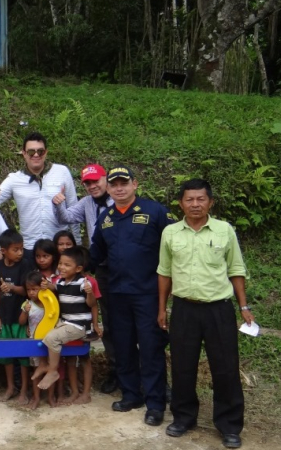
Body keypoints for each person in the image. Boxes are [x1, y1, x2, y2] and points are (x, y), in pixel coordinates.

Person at [157, 178, 253, 449]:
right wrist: (162, 308)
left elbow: (236, 269)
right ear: (180, 203)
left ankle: (230, 426)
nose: (195, 204)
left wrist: (244, 307)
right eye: (190, 199)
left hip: (219, 310)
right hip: (184, 310)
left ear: (210, 202)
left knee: (225, 369)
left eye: (201, 199)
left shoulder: (224, 231)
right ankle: (184, 418)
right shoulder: (171, 233)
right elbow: (164, 273)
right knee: (182, 367)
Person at [90, 165, 174, 426]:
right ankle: (131, 394)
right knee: (124, 347)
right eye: (114, 184)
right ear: (109, 188)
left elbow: (174, 247)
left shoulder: (155, 212)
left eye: (124, 183)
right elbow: (96, 253)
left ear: (135, 184)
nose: (119, 188)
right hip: (117, 294)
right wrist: (74, 271)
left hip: (148, 293)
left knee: (150, 348)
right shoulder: (106, 219)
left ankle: (155, 402)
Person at [53, 163, 118, 394]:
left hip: (126, 268)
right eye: (87, 183)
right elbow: (67, 218)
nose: (92, 186)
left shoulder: (119, 201)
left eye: (96, 181)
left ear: (106, 179)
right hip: (102, 268)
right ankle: (115, 371)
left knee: (133, 322)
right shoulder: (87, 203)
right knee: (109, 322)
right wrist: (58, 204)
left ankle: (138, 372)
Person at [0, 131, 80, 253]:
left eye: (40, 151)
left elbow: (74, 209)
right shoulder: (14, 179)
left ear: (46, 153)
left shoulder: (62, 172)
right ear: (24, 153)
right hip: (30, 248)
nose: (36, 155)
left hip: (58, 246)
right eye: (31, 152)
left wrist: (77, 245)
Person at [31, 247, 95, 396]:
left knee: (52, 338)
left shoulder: (82, 283)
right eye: (60, 264)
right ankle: (43, 364)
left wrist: (89, 293)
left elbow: (91, 304)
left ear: (78, 268)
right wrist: (48, 286)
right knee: (43, 333)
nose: (62, 267)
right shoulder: (60, 281)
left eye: (67, 265)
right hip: (66, 323)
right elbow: (55, 288)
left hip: (79, 326)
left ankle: (53, 371)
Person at [0, 229, 31, 405]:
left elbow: (28, 290)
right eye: (15, 249)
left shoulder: (25, 265)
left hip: (20, 317)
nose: (20, 253)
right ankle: (10, 387)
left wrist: (12, 288)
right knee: (7, 354)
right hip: (5, 316)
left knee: (23, 355)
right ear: (3, 250)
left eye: (21, 249)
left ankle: (24, 390)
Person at [20, 271, 46, 410]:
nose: (31, 292)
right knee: (36, 370)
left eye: (34, 289)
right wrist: (25, 311)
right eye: (29, 289)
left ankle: (51, 397)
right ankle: (36, 397)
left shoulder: (49, 302)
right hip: (34, 342)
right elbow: (21, 322)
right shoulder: (27, 304)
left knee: (50, 369)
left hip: (49, 341)